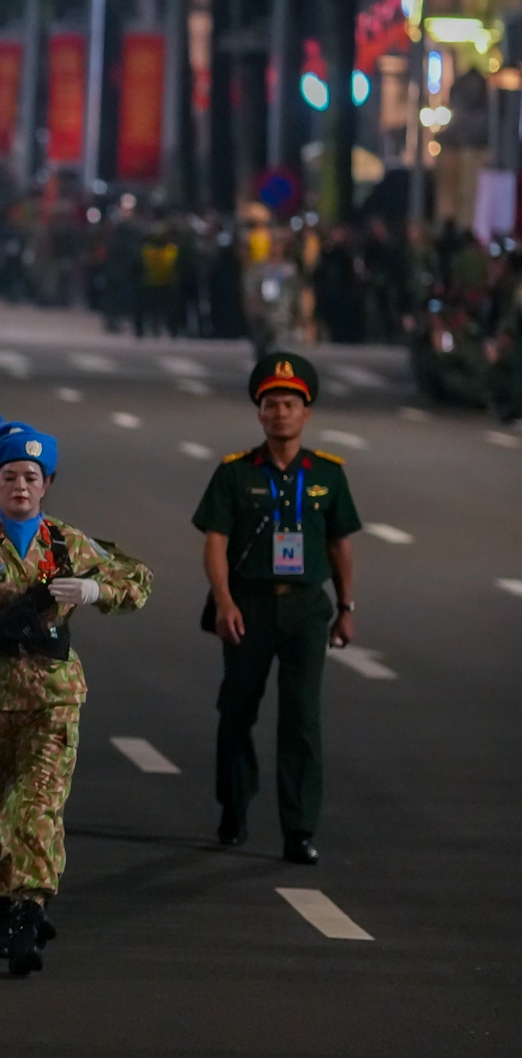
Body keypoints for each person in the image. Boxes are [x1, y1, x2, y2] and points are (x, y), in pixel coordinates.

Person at [0, 428, 151, 974]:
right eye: (9, 477)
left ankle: (29, 907)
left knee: (35, 803)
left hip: (52, 695)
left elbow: (138, 581)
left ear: (47, 484)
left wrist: (98, 591)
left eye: (31, 477)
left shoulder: (67, 544)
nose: (20, 486)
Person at [193, 352, 359, 865]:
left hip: (306, 609)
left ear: (306, 413)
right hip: (249, 605)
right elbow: (215, 541)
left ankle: (299, 830)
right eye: (271, 405)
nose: (280, 413)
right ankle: (235, 805)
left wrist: (346, 607)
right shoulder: (234, 473)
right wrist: (224, 601)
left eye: (289, 404)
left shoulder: (328, 474)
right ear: (259, 413)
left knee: (302, 720)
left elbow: (339, 544)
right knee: (237, 710)